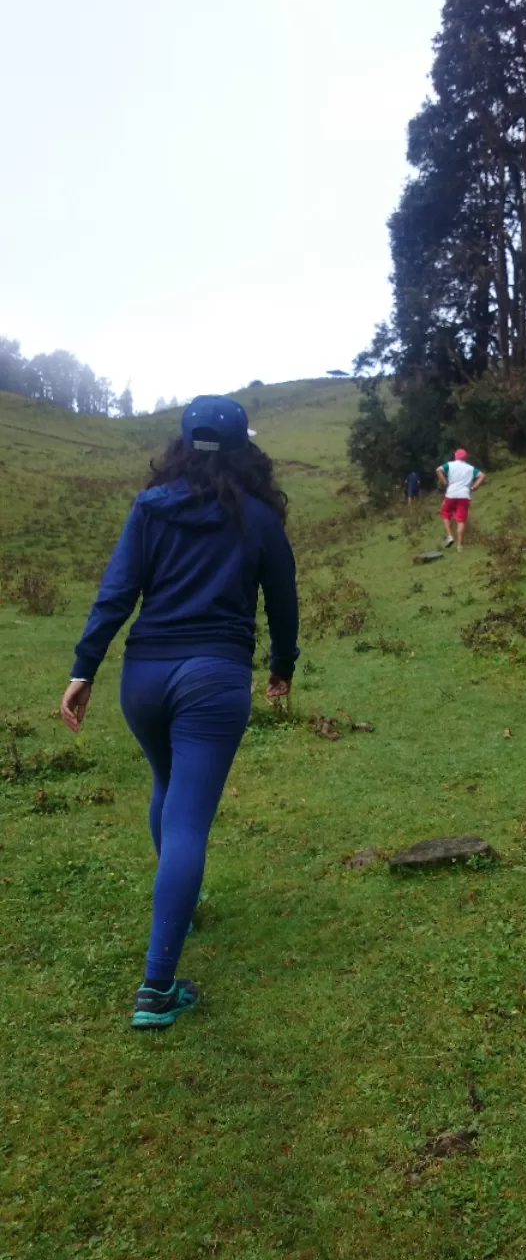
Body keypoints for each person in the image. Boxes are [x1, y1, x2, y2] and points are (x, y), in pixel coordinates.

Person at [60, 396, 299, 1031]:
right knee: (189, 817)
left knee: (166, 787)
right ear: (247, 448)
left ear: (181, 446)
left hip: (143, 678)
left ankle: (180, 904)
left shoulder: (148, 507)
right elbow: (283, 600)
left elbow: (117, 593)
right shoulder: (258, 518)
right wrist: (283, 664)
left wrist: (84, 669)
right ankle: (157, 990)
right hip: (213, 680)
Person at [436, 447, 485, 551]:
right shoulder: (470, 468)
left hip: (451, 494)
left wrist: (445, 482)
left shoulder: (450, 465)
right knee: (461, 520)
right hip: (464, 495)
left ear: (455, 456)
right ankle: (459, 546)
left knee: (445, 513)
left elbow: (438, 470)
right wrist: (473, 487)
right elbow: (482, 476)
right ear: (465, 458)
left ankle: (450, 536)